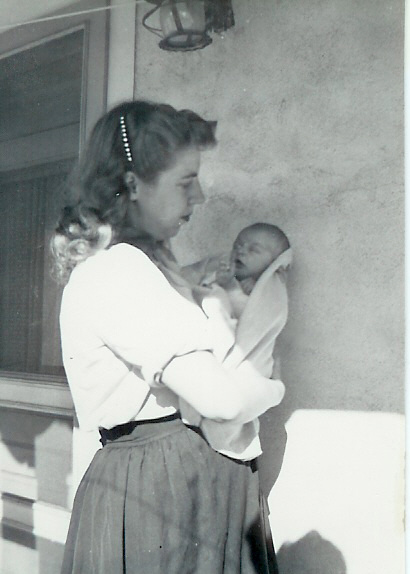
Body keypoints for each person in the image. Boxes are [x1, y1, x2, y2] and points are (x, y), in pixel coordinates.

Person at [51, 100, 284, 574]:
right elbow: (222, 401)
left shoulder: (141, 269)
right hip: (160, 495)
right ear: (133, 185)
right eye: (185, 181)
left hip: (173, 486)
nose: (198, 197)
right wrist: (273, 387)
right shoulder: (119, 270)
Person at [180, 223, 292, 461]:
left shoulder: (268, 290)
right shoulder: (224, 278)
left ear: (273, 263)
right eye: (238, 246)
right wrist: (219, 285)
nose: (241, 252)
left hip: (245, 367)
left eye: (253, 249)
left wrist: (232, 289)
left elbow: (254, 324)